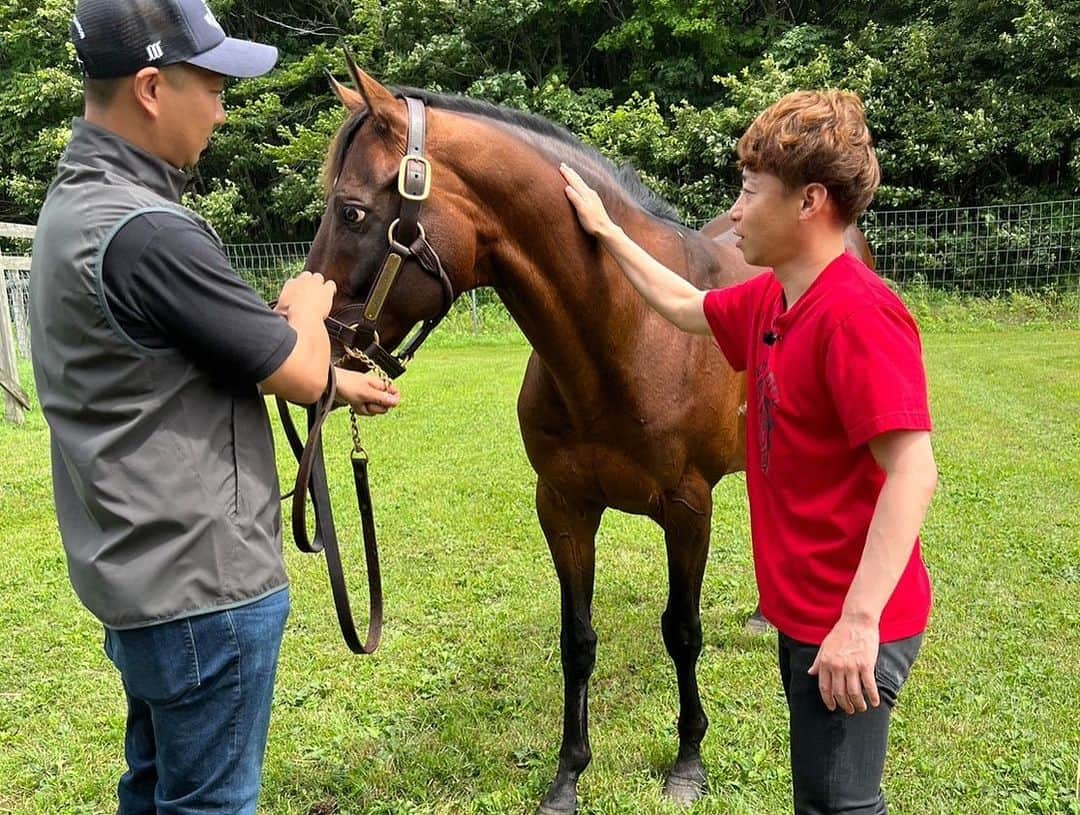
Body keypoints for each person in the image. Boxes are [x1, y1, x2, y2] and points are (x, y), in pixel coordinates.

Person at [29, 0, 399, 812]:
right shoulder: (149, 232)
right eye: (214, 85)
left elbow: (185, 357)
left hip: (141, 575)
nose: (224, 110)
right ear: (154, 87)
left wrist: (343, 380)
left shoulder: (76, 209)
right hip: (205, 590)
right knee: (211, 802)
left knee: (156, 783)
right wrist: (306, 302)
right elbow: (298, 367)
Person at [560, 90, 937, 814]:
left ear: (810, 203)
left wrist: (858, 624)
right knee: (819, 798)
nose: (733, 212)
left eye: (749, 191)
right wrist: (607, 231)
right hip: (807, 615)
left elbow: (913, 472)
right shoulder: (774, 298)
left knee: (842, 804)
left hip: (852, 623)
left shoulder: (859, 314)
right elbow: (681, 305)